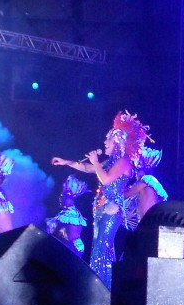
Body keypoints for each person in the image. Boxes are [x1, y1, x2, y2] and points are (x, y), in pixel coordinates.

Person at [52, 111, 149, 289]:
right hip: (100, 209)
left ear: (117, 141)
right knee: (99, 246)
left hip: (112, 210)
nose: (104, 142)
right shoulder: (111, 162)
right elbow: (87, 168)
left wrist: (96, 162)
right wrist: (66, 162)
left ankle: (103, 287)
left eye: (108, 139)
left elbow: (105, 179)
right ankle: (103, 286)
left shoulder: (124, 162)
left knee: (102, 246)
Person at [46, 174, 90, 258]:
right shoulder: (66, 212)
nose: (60, 198)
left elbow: (71, 238)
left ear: (68, 198)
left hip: (72, 251)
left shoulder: (71, 214)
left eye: (62, 195)